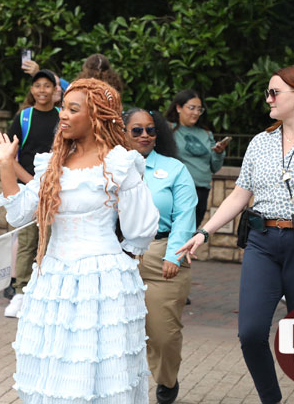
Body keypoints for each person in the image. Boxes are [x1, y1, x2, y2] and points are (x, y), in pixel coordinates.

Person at [176, 65, 294, 404]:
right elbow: (239, 194)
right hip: (263, 242)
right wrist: (205, 231)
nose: (268, 99)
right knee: (250, 333)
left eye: (274, 92)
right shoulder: (261, 142)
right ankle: (271, 400)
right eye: (267, 93)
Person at [0, 78, 160, 403]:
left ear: (96, 115)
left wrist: (115, 262)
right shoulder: (51, 163)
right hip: (52, 281)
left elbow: (141, 228)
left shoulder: (119, 163)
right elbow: (18, 214)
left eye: (72, 109)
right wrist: (6, 164)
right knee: (53, 371)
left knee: (100, 373)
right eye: (63, 108)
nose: (63, 116)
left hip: (103, 285)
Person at [123, 108, 197, 404]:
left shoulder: (175, 169)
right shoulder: (110, 167)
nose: (145, 136)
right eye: (137, 130)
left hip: (161, 255)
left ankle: (167, 379)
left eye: (151, 130)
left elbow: (184, 216)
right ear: (123, 132)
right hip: (119, 256)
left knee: (163, 335)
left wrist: (174, 256)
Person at [3, 69, 60, 317]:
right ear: (32, 90)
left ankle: (45, 291)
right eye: (38, 85)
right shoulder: (24, 118)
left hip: (56, 189)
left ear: (55, 90)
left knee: (51, 240)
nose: (42, 91)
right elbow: (8, 153)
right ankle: (20, 292)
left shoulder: (62, 117)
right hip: (28, 189)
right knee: (27, 241)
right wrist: (31, 181)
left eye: (47, 86)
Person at [165, 89, 229, 227]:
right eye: (191, 108)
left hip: (202, 191)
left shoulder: (206, 133)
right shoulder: (168, 130)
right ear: (178, 108)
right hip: (178, 190)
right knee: (174, 231)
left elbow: (215, 167)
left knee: (190, 233)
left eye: (199, 109)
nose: (195, 113)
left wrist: (218, 153)